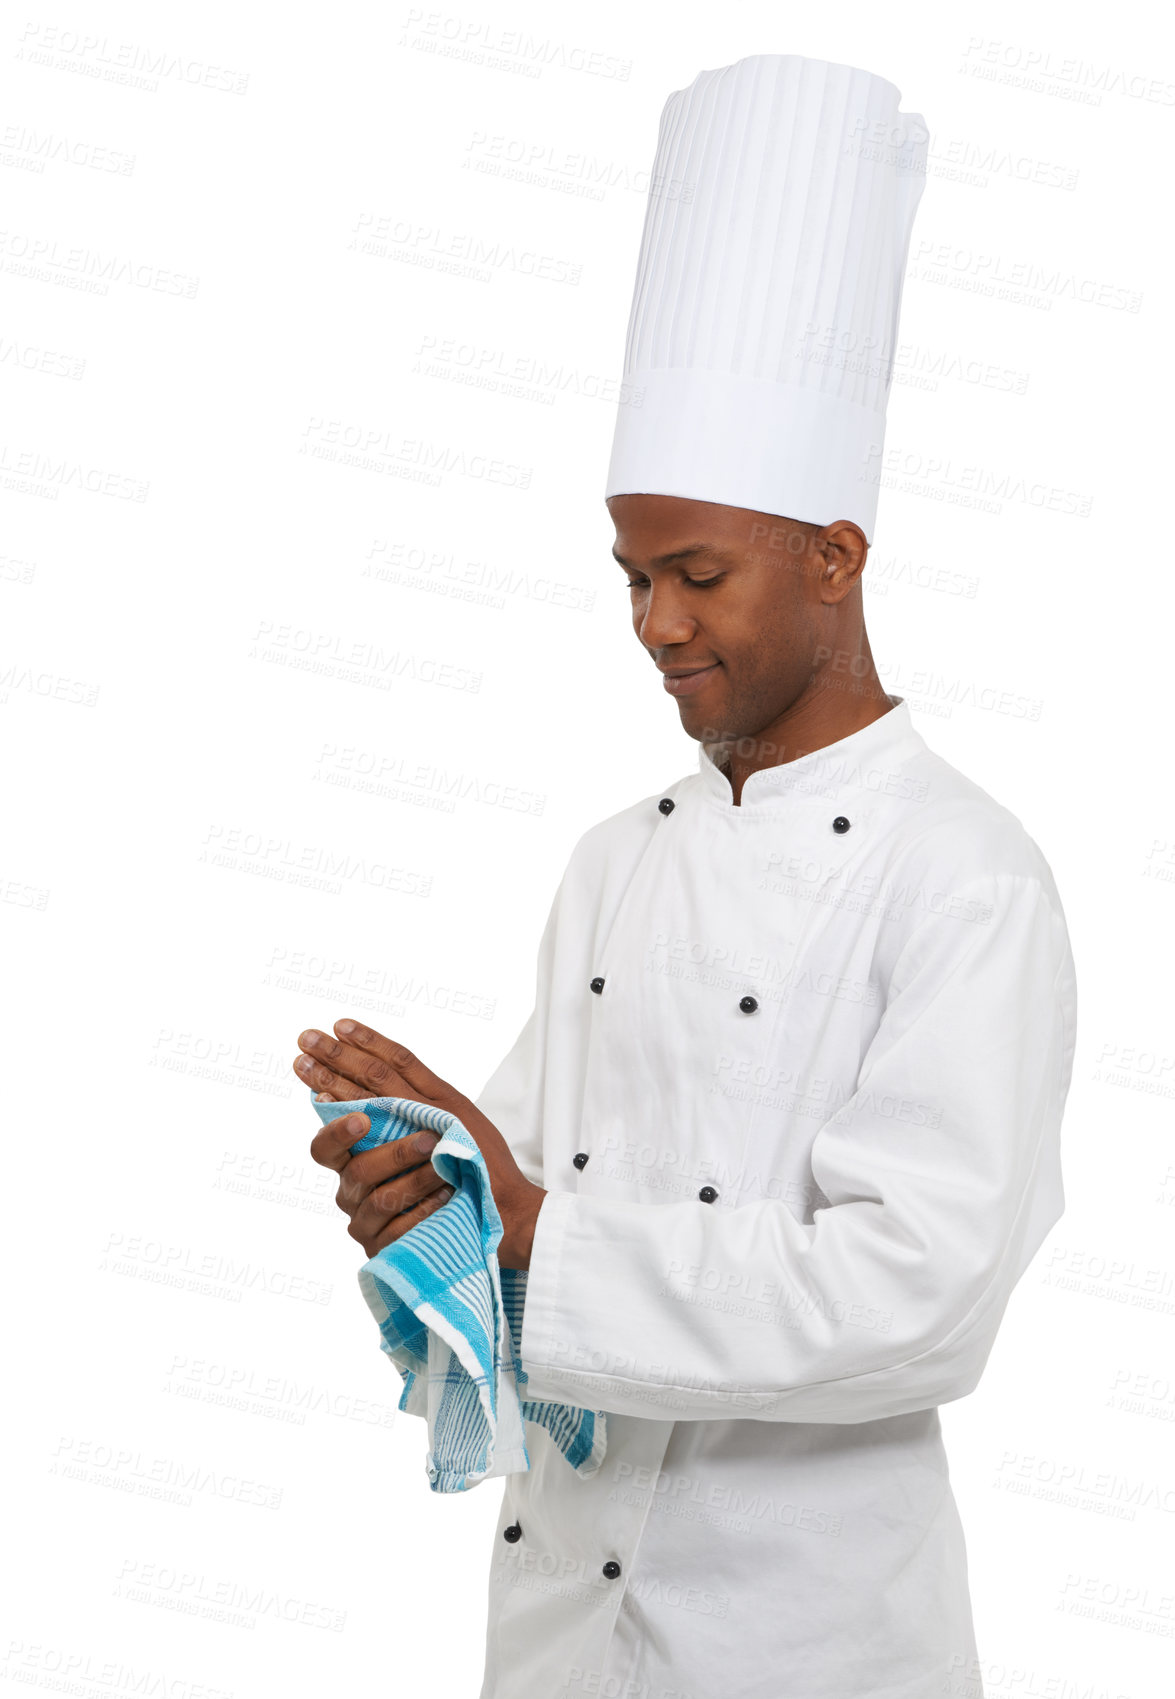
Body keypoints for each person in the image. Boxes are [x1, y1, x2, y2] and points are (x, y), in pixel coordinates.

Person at [292, 55, 1077, 1699]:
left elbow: (924, 1299)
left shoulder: (964, 877)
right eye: (635, 575)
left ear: (835, 558)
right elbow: (524, 1206)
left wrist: (534, 1239)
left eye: (699, 573)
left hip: (807, 1643)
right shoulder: (610, 865)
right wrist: (431, 1189)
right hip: (563, 1628)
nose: (657, 622)